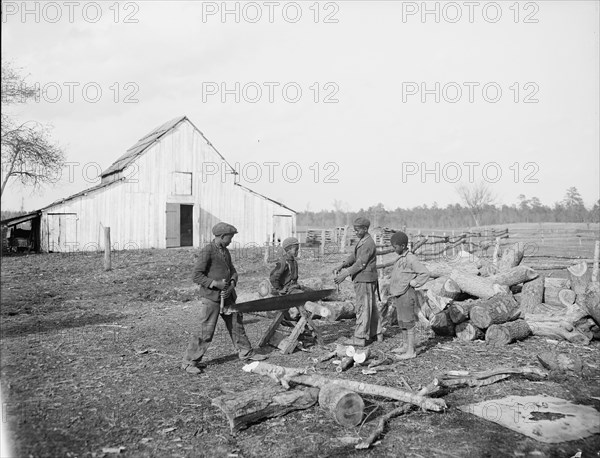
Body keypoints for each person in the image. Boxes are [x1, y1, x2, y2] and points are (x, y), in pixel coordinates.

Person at [181, 222, 267, 375]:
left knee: (236, 325)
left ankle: (246, 353)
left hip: (228, 297)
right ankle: (189, 362)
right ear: (221, 236)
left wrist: (232, 285)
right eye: (230, 237)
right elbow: (196, 275)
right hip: (211, 299)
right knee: (206, 331)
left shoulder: (225, 251)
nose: (231, 240)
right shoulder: (207, 251)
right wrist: (215, 284)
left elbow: (232, 271)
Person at [333, 217, 382, 346]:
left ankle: (360, 337)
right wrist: (343, 264)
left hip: (365, 280)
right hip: (365, 279)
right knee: (370, 307)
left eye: (358, 230)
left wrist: (345, 274)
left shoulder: (368, 243)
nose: (355, 232)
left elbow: (361, 263)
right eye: (355, 230)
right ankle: (376, 333)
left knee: (363, 307)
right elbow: (354, 257)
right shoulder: (363, 240)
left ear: (365, 229)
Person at [388, 231, 430, 359]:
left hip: (406, 294)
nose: (394, 249)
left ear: (402, 245)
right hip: (399, 293)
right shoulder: (401, 257)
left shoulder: (411, 258)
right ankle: (405, 345)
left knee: (409, 322)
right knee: (402, 321)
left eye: (395, 247)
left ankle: (411, 351)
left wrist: (415, 282)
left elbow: (425, 273)